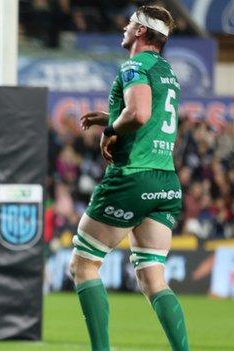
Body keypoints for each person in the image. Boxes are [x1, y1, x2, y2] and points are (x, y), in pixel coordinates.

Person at [69, 6, 189, 351]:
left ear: (140, 32)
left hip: (132, 178)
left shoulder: (135, 66)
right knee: (152, 276)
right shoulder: (167, 71)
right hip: (165, 180)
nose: (125, 25)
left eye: (131, 22)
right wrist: (109, 116)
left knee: (83, 264)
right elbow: (151, 117)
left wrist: (110, 127)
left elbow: (138, 113)